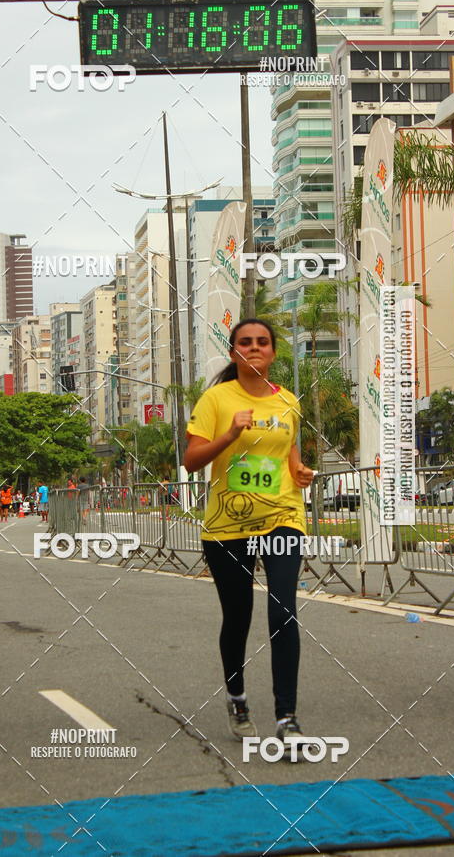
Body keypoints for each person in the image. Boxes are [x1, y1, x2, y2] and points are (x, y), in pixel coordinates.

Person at [184, 318, 314, 749]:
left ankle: (287, 717)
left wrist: (299, 470)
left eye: (262, 342)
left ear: (273, 352)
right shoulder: (216, 399)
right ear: (234, 352)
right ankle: (237, 698)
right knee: (238, 617)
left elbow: (289, 451)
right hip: (228, 526)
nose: (255, 348)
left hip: (283, 518)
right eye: (246, 342)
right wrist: (231, 434)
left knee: (283, 612)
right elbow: (191, 460)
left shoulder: (288, 401)